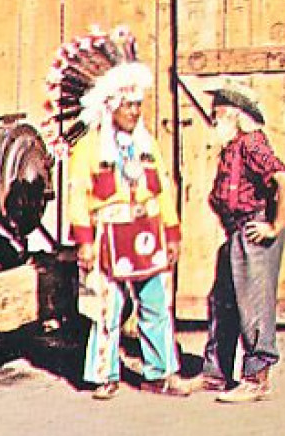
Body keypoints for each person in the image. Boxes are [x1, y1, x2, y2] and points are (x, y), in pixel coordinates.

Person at [65, 60, 192, 399]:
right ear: (111, 106)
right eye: (128, 105)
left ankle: (160, 373)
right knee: (107, 308)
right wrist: (85, 242)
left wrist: (173, 231)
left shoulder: (146, 144)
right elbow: (78, 194)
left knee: (155, 303)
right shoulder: (89, 147)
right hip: (109, 234)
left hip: (148, 232)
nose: (135, 111)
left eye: (138, 104)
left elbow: (162, 187)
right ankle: (104, 374)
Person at [200, 83, 285, 403]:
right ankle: (214, 375)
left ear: (234, 114)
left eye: (217, 116)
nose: (214, 122)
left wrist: (273, 226)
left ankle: (256, 379)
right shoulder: (235, 146)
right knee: (223, 302)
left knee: (253, 306)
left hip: (252, 232)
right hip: (236, 234)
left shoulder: (252, 144)